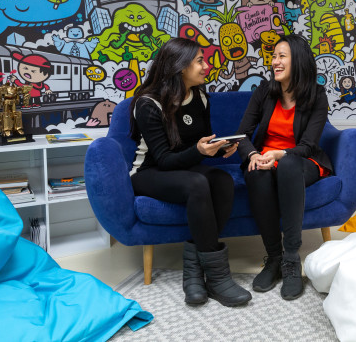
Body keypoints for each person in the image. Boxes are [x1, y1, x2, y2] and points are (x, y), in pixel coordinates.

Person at [129, 38, 251, 307]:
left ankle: (194, 273)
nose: (206, 66)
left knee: (222, 180)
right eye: (200, 61)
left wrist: (219, 149)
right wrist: (199, 151)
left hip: (183, 167)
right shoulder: (148, 103)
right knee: (197, 183)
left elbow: (199, 145)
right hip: (149, 172)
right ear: (180, 66)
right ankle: (218, 278)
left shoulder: (200, 97)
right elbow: (164, 160)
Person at [236, 34, 333, 301]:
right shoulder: (264, 91)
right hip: (267, 159)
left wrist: (282, 154)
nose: (275, 62)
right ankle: (274, 259)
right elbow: (242, 134)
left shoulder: (316, 95)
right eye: (274, 56)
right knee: (255, 172)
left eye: (282, 56)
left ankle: (291, 259)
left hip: (301, 161)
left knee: (288, 164)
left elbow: (308, 145)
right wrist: (254, 155)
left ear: (298, 60)